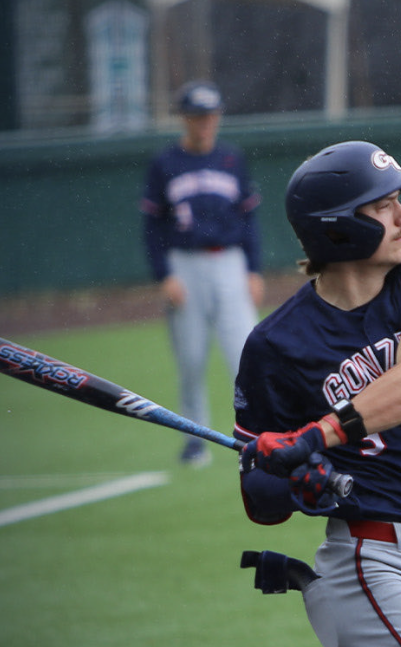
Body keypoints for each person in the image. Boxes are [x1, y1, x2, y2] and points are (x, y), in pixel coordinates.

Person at [232, 140, 401, 647]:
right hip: (370, 567)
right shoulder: (274, 344)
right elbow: (262, 502)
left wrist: (315, 437)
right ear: (339, 225)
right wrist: (295, 483)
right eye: (385, 206)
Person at [140, 81, 264, 467]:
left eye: (211, 116)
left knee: (245, 353)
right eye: (197, 117)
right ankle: (194, 440)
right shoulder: (166, 163)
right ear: (185, 119)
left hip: (229, 262)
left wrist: (254, 269)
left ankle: (260, 435)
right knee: (191, 359)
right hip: (185, 263)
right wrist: (165, 274)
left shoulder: (231, 158)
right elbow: (152, 226)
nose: (205, 123)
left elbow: (249, 218)